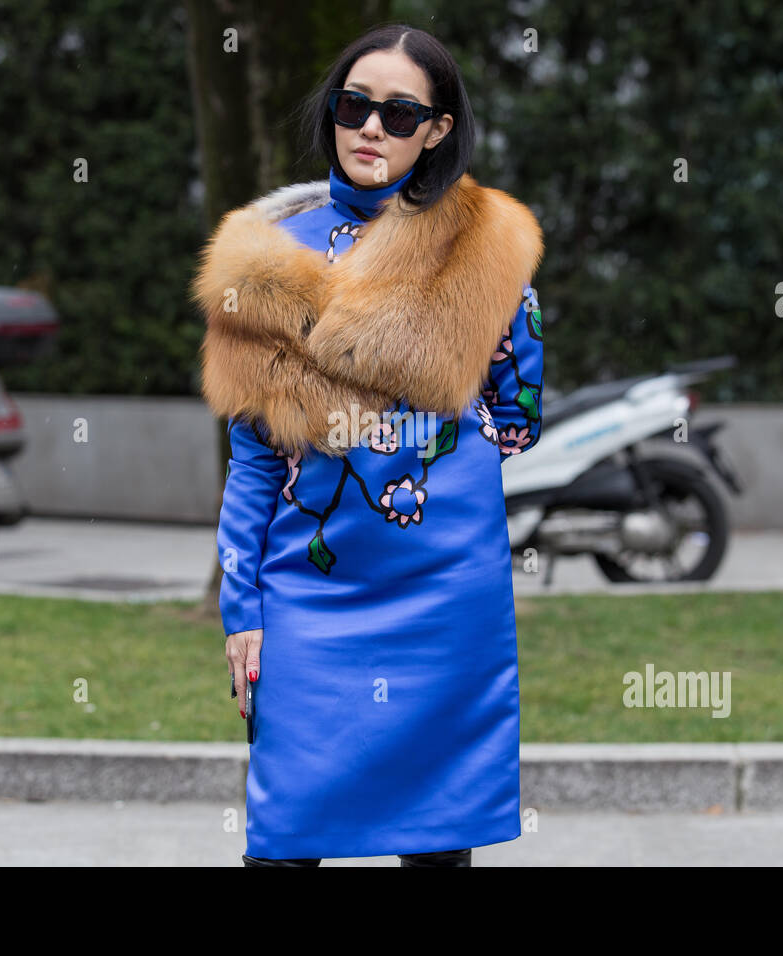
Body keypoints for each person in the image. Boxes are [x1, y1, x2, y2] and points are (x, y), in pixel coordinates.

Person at [193, 23, 545, 867]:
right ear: (333, 114)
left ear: (438, 130)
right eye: (355, 107)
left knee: (436, 842)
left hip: (445, 596)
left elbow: (519, 415)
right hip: (310, 592)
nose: (372, 129)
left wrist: (431, 455)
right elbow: (251, 459)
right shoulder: (264, 256)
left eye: (399, 113)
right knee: (284, 839)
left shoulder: (484, 251)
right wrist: (243, 611)